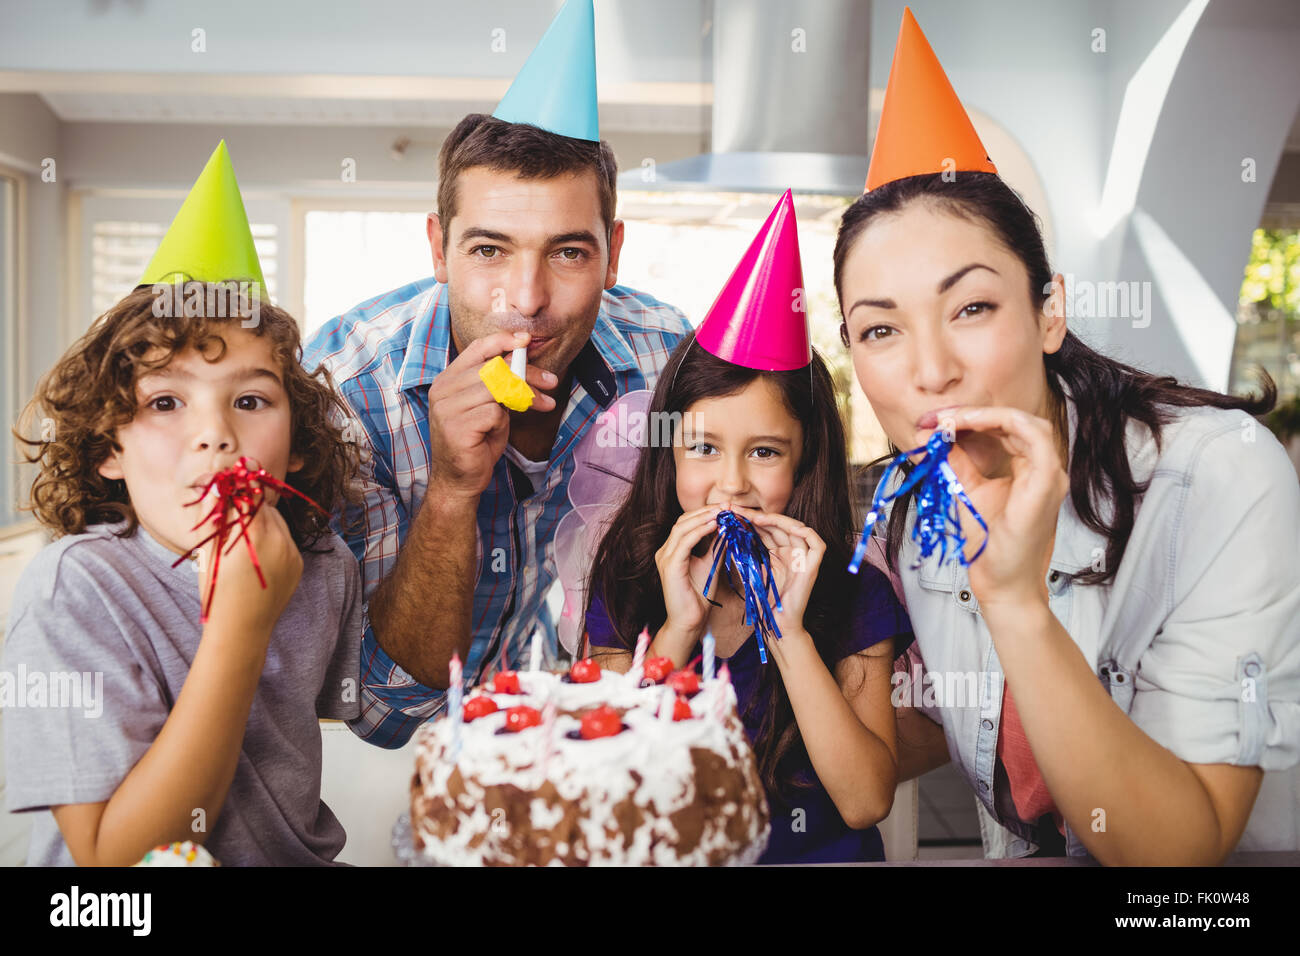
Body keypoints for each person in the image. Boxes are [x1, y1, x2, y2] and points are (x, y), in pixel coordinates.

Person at [833, 8, 1300, 864]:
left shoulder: (1219, 476)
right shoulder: (912, 515)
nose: (929, 371)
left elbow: (1172, 856)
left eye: (971, 307)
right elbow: (960, 724)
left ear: (1049, 312)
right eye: (881, 329)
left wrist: (1015, 600)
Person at [302, 0, 688, 748]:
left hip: (616, 749)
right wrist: (451, 490)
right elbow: (386, 712)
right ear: (438, 249)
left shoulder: (668, 359)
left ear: (612, 251)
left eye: (568, 253)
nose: (528, 300)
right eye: (489, 251)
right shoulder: (347, 391)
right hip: (415, 771)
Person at [2, 142, 363, 866]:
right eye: (166, 401)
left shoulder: (322, 563)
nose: (215, 435)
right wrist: (239, 624)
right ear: (109, 447)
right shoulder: (76, 587)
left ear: (296, 444)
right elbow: (114, 859)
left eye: (251, 400)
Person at [583, 193, 913, 863]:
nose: (732, 483)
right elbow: (600, 779)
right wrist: (679, 628)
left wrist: (785, 632)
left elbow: (864, 801)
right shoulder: (624, 582)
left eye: (764, 452)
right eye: (703, 448)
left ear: (804, 462)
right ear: (668, 452)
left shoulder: (856, 593)